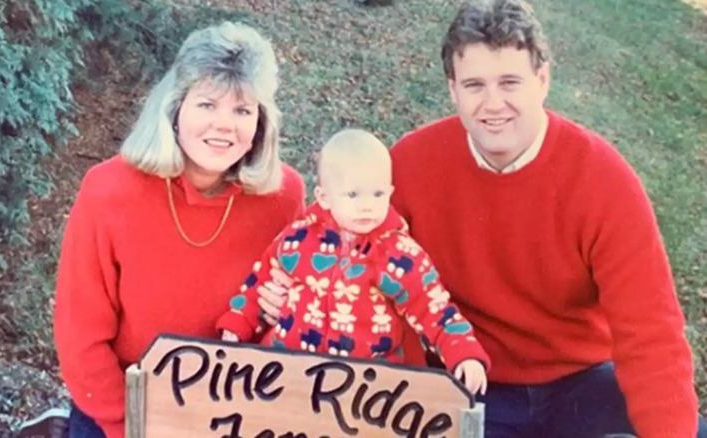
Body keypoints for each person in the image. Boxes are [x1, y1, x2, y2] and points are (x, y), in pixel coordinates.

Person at [388, 0, 706, 437]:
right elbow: (352, 258)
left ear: (542, 80)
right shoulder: (409, 164)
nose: (493, 103)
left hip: (581, 382)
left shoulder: (602, 179)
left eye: (510, 82)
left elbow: (651, 335)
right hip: (469, 380)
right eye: (475, 84)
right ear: (452, 89)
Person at [52, 22, 305, 438]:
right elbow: (81, 338)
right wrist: (130, 425)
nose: (224, 125)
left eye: (242, 110)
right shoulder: (109, 191)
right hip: (121, 411)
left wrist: (286, 312)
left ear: (261, 123)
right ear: (174, 108)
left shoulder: (284, 196)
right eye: (207, 105)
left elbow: (299, 318)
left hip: (236, 414)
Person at [216, 128, 490, 394]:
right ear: (324, 197)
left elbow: (433, 307)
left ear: (391, 192)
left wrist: (462, 352)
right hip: (290, 369)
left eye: (378, 194)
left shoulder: (399, 254)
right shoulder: (297, 240)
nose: (367, 205)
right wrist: (238, 323)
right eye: (353, 195)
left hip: (366, 384)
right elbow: (261, 279)